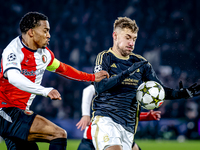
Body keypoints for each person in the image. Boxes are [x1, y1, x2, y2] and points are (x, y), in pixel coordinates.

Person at [0, 12, 109, 150]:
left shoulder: (44, 54)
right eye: (45, 31)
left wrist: (91, 77)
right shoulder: (13, 51)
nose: (49, 35)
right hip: (5, 110)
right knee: (58, 134)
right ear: (31, 32)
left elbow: (63, 68)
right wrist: (45, 90)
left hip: (20, 112)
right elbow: (14, 77)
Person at [91, 17, 200, 150]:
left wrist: (182, 93)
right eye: (128, 37)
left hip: (129, 126)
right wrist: (126, 72)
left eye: (134, 39)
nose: (131, 43)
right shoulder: (105, 57)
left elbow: (159, 91)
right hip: (106, 120)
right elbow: (100, 86)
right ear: (115, 36)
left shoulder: (141, 63)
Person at [76, 84, 161, 150]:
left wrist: (146, 116)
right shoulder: (113, 82)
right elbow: (88, 90)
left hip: (119, 135)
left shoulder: (127, 94)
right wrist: (85, 115)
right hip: (93, 140)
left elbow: (124, 116)